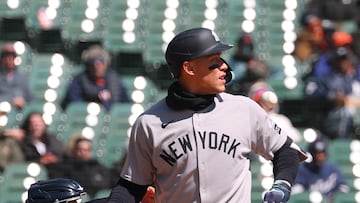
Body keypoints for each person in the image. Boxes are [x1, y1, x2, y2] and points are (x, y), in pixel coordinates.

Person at [103, 27, 307, 203]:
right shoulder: (149, 123)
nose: (224, 66)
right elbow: (132, 185)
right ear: (189, 68)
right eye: (214, 61)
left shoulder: (244, 109)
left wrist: (282, 184)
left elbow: (285, 150)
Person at [62, 45, 130, 111]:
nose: (97, 66)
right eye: (93, 62)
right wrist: (97, 97)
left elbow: (125, 104)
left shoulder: (114, 79)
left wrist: (107, 101)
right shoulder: (79, 81)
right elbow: (76, 104)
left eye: (101, 62)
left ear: (106, 64)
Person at [292, 135, 350, 201]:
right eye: (316, 154)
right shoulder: (302, 169)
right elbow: (296, 193)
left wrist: (333, 196)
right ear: (311, 154)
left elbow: (344, 188)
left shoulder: (332, 168)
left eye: (322, 154)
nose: (320, 157)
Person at [0, 42, 34, 109]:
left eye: (11, 57)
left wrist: (23, 102)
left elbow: (31, 99)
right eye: (6, 57)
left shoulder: (22, 78)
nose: (8, 60)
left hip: (19, 114)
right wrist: (12, 100)